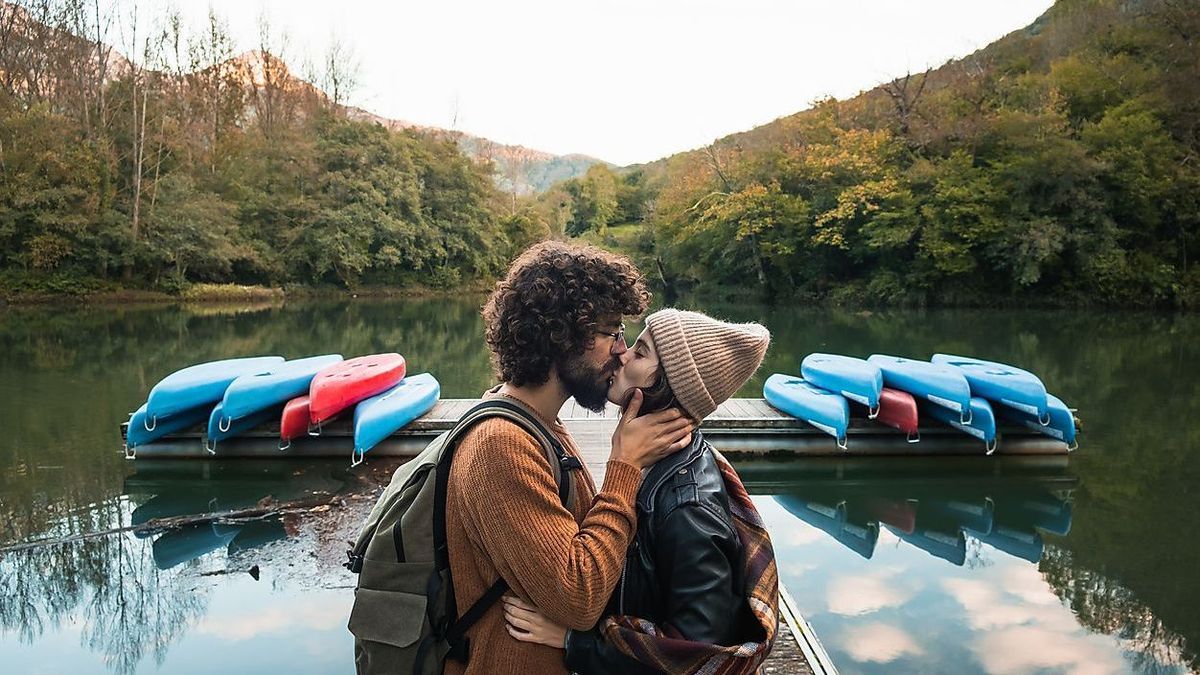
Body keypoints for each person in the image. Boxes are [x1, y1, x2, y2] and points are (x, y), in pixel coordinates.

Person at [444, 241, 697, 674]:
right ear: (561, 334)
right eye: (611, 331)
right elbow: (579, 597)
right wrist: (625, 468)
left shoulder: (541, 424)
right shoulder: (500, 446)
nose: (621, 349)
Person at [501, 308, 780, 674]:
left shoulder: (688, 507)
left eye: (642, 351)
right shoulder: (655, 464)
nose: (623, 353)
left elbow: (695, 656)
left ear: (668, 387)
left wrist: (575, 641)